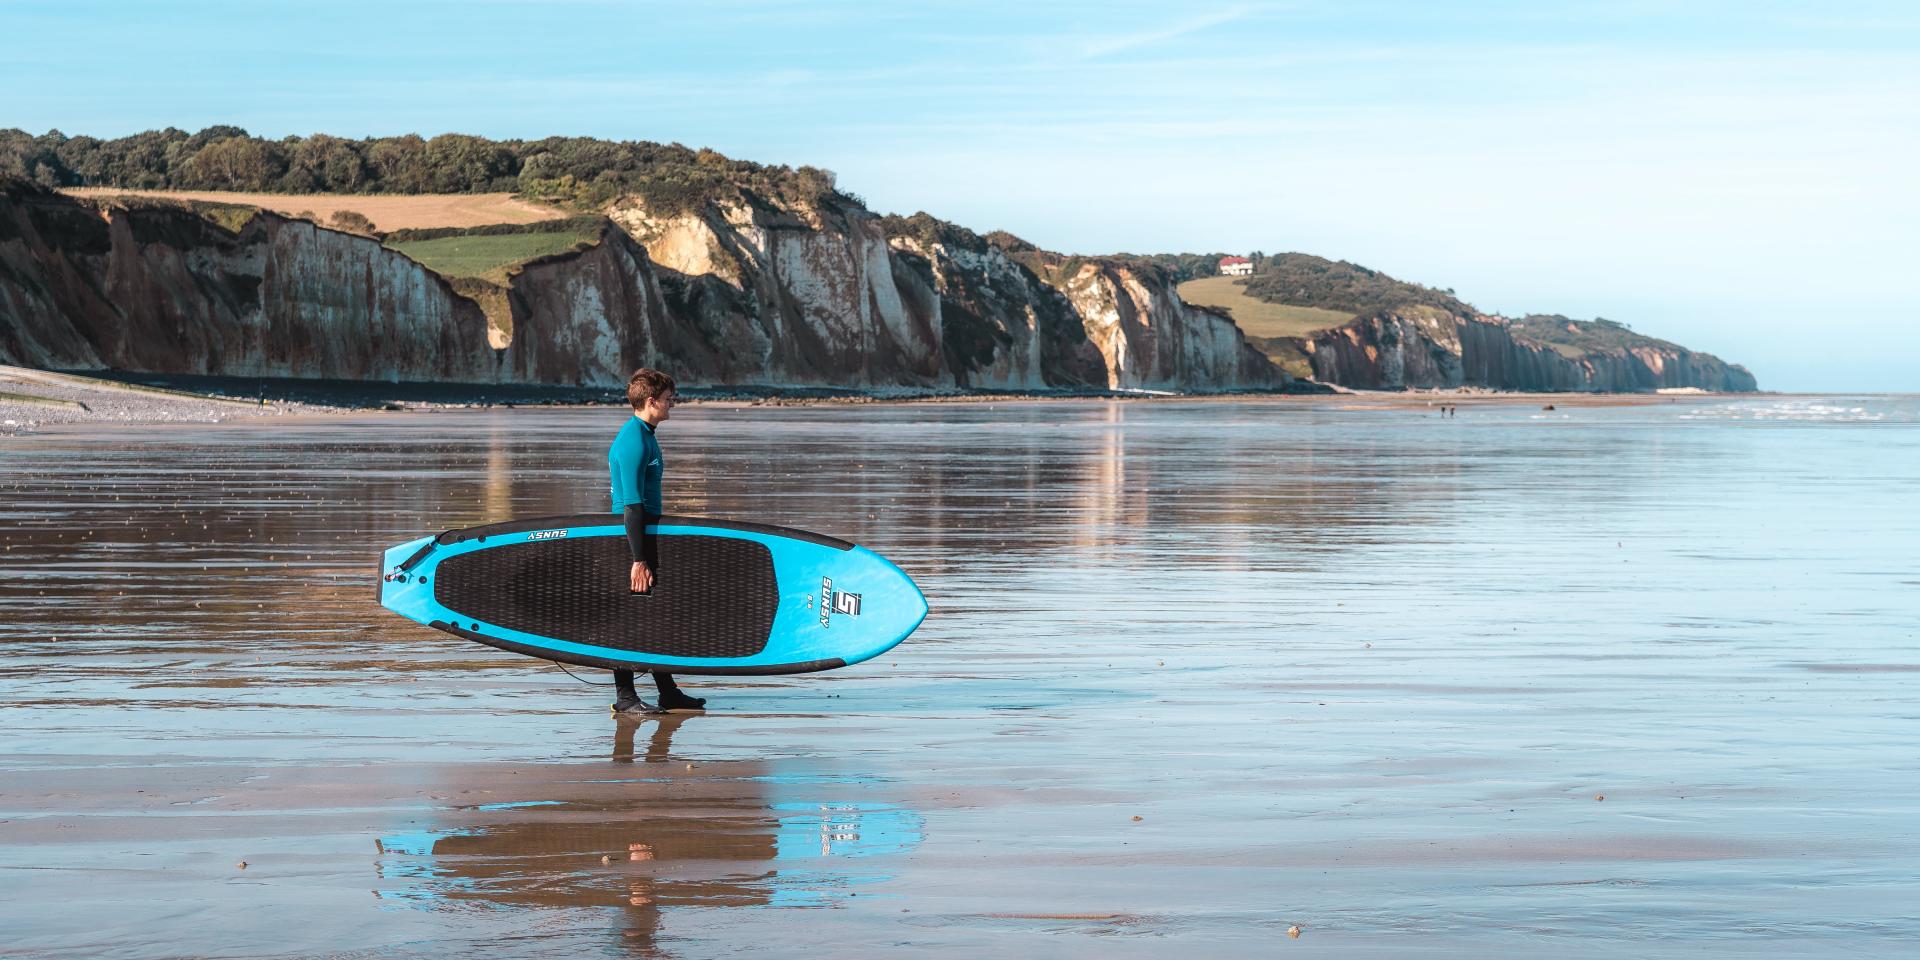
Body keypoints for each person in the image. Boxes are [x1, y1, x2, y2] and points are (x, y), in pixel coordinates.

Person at [607, 368, 706, 715]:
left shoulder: (646, 434)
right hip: (631, 538)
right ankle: (625, 697)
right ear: (651, 401)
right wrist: (638, 559)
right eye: (668, 399)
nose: (672, 404)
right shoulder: (633, 440)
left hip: (645, 534)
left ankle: (668, 692)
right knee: (628, 617)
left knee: (655, 614)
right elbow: (632, 505)